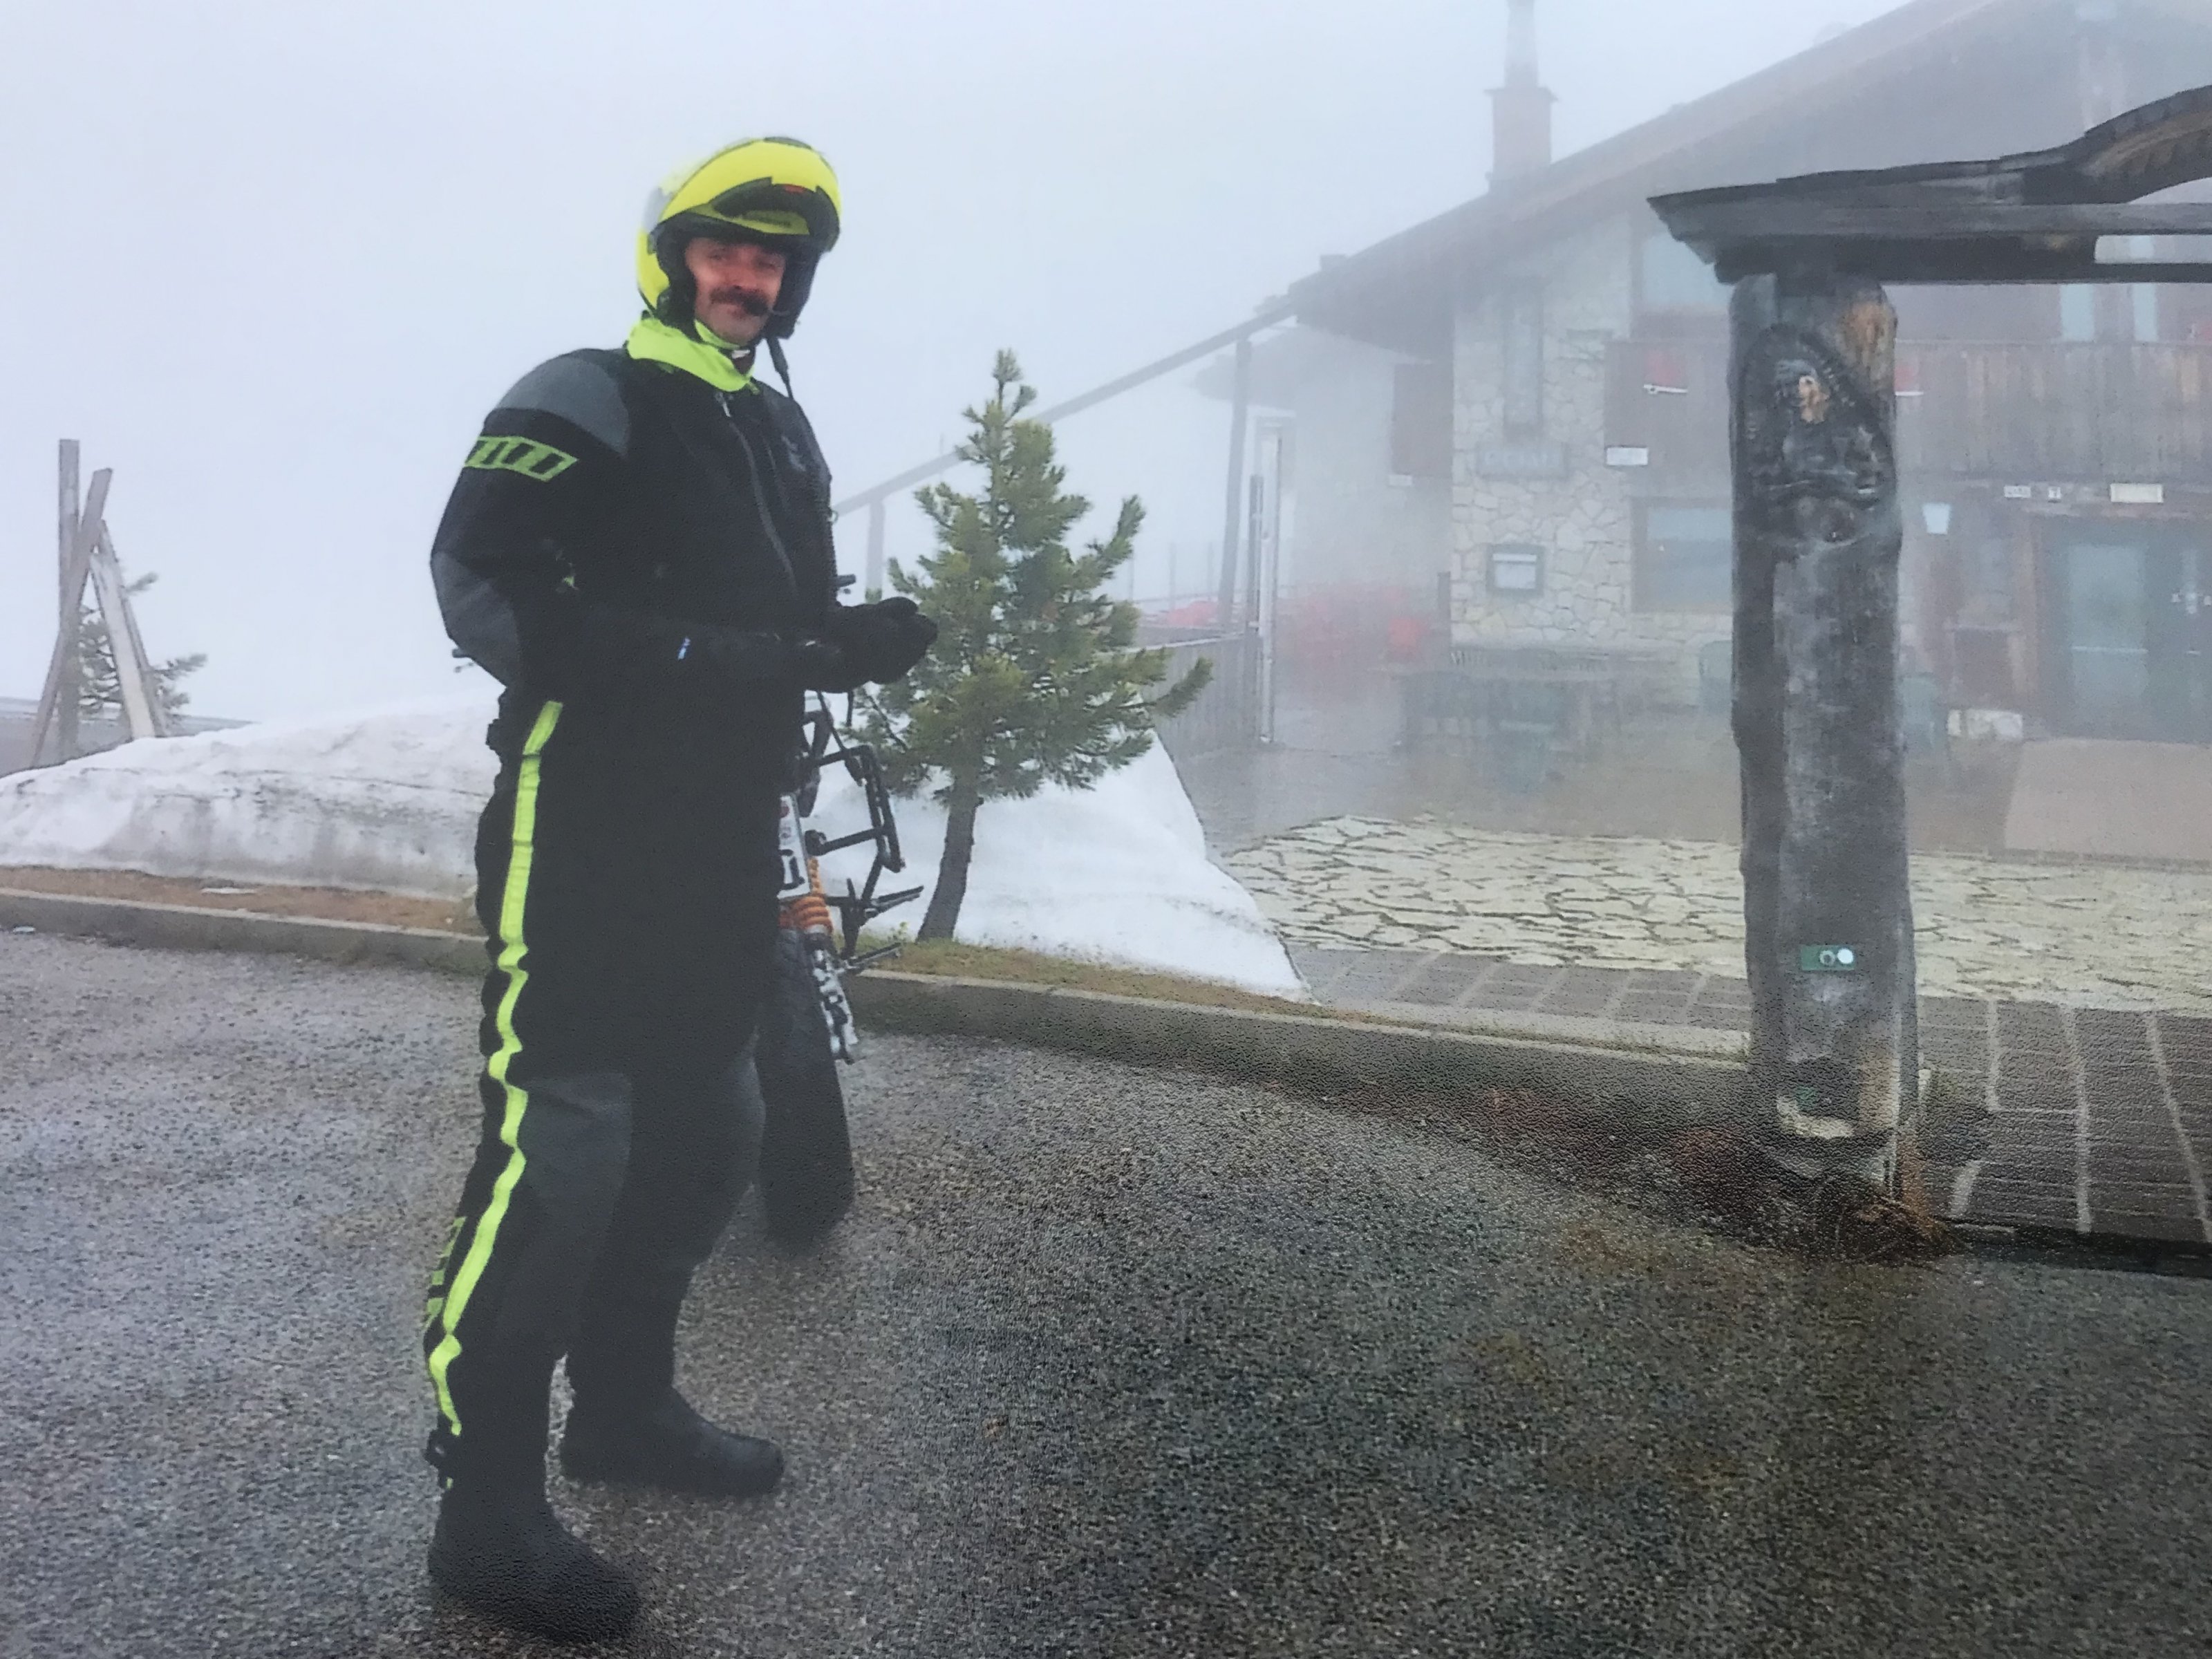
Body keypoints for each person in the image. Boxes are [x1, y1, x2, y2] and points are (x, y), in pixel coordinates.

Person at [419, 135, 936, 1642]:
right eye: (726, 249)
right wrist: (749, 657)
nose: (749, 277)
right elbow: (485, 587)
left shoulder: (771, 427)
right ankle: (483, 1508)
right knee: (562, 1159)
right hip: (582, 824)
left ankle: (623, 1409)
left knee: (713, 1132)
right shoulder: (589, 391)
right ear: (671, 260)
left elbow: (764, 620)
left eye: (774, 260)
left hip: (723, 832)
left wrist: (844, 639)